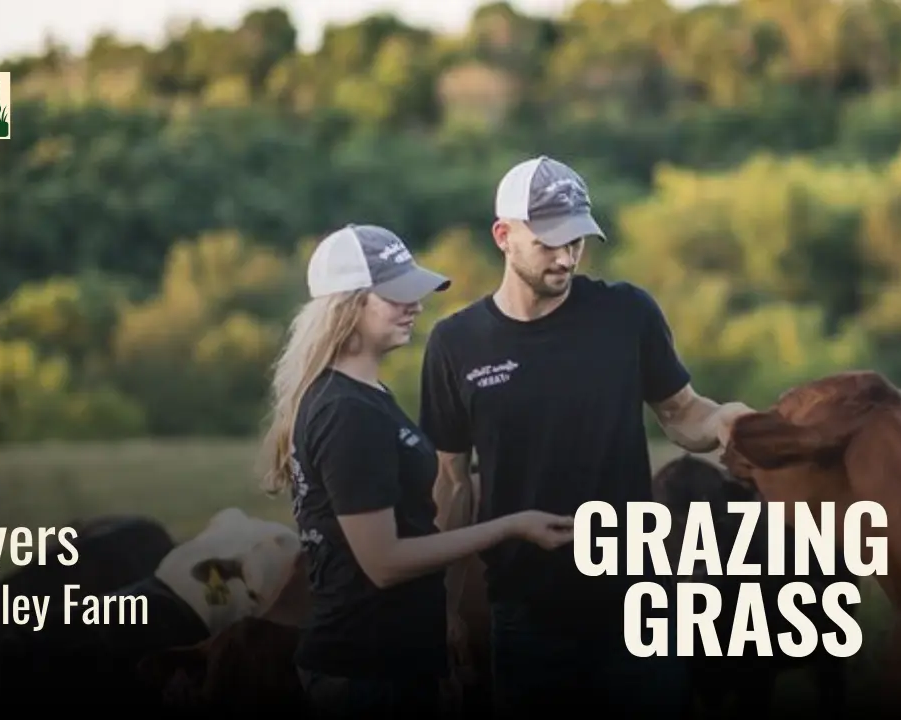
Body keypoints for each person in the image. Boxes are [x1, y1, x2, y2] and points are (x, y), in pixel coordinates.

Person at [418, 156, 754, 716]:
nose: (566, 257)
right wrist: (445, 607)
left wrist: (723, 421)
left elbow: (681, 412)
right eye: (548, 242)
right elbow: (451, 484)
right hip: (525, 615)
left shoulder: (626, 314)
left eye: (576, 240)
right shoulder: (456, 344)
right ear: (503, 236)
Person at [259, 223, 575, 719]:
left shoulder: (364, 396)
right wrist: (511, 526)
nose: (415, 306)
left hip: (389, 664)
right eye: (396, 296)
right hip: (366, 672)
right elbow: (384, 562)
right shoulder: (346, 412)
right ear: (347, 306)